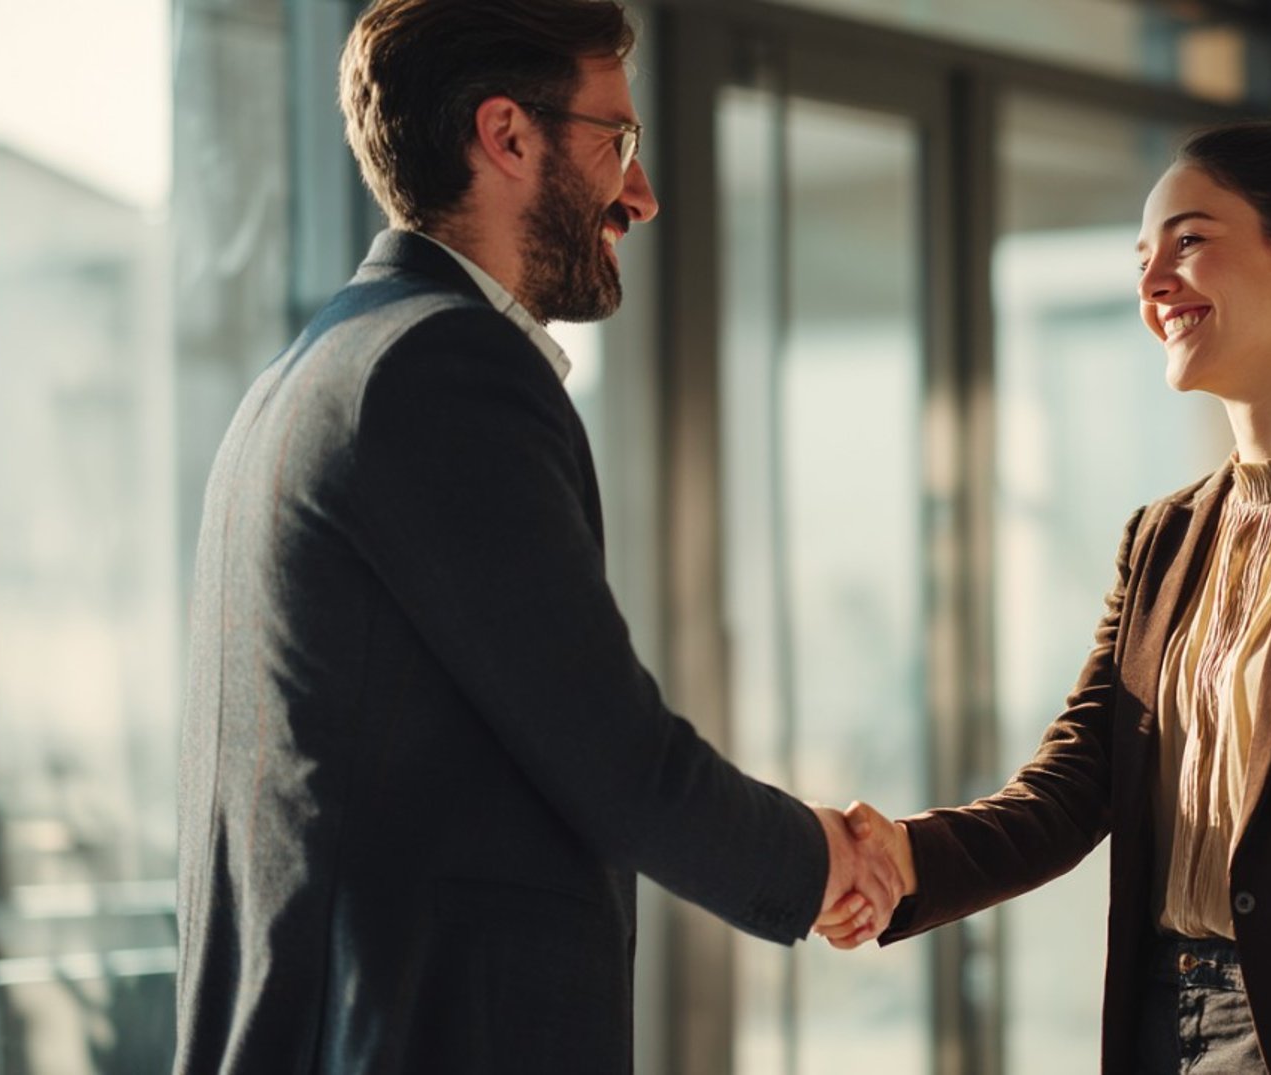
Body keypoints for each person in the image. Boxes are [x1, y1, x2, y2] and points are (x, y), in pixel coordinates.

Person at [172, 2, 897, 1072]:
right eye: (618, 141)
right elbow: (611, 752)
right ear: (507, 135)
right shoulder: (441, 371)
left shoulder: (311, 375)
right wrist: (818, 861)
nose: (639, 195)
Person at [820, 111, 1271, 1073]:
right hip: (1168, 1029)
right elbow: (1070, 789)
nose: (1151, 283)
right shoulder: (1164, 538)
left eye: (1190, 242)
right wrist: (902, 857)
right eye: (1143, 254)